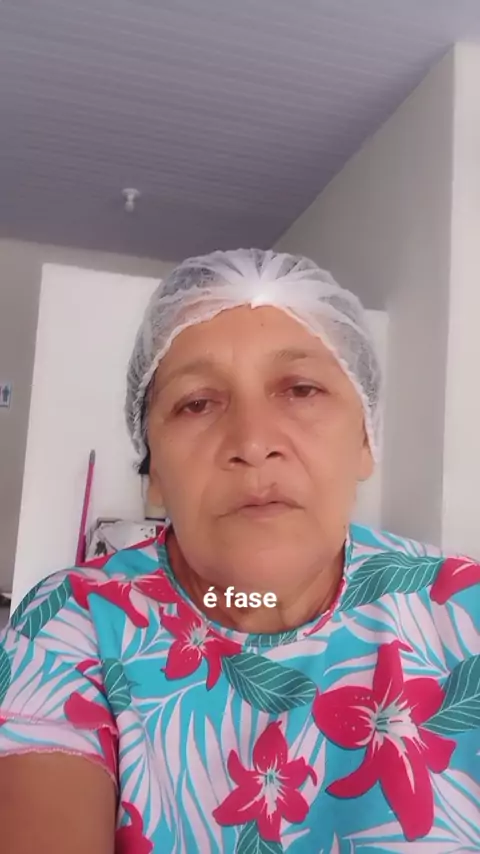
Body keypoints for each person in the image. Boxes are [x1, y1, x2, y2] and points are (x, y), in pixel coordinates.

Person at [0, 249, 478, 854]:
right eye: (197, 402)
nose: (252, 443)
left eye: (301, 389)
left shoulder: (463, 611)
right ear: (154, 471)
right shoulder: (75, 622)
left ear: (365, 440)